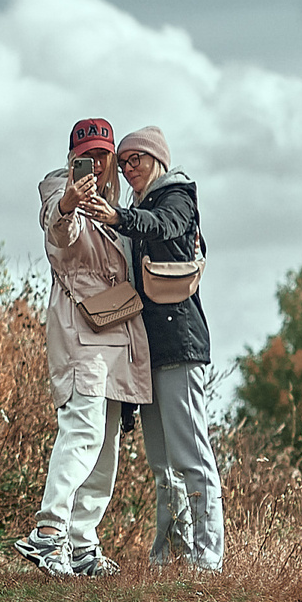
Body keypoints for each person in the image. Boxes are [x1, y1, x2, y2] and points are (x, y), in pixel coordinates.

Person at [11, 117, 150, 579]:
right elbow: (61, 236)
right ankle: (49, 533)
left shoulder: (118, 207)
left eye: (103, 156)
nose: (95, 163)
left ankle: (82, 543)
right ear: (72, 158)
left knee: (106, 446)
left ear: (111, 160)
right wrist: (70, 203)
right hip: (81, 330)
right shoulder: (58, 189)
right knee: (83, 431)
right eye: (84, 156)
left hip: (117, 332)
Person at [98, 125, 224, 572]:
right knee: (161, 463)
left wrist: (119, 218)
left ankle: (208, 562)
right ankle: (170, 557)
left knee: (191, 455)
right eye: (124, 162)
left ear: (158, 161)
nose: (130, 168)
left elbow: (164, 228)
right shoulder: (137, 208)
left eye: (138, 160)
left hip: (179, 346)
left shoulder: (177, 198)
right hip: (146, 351)